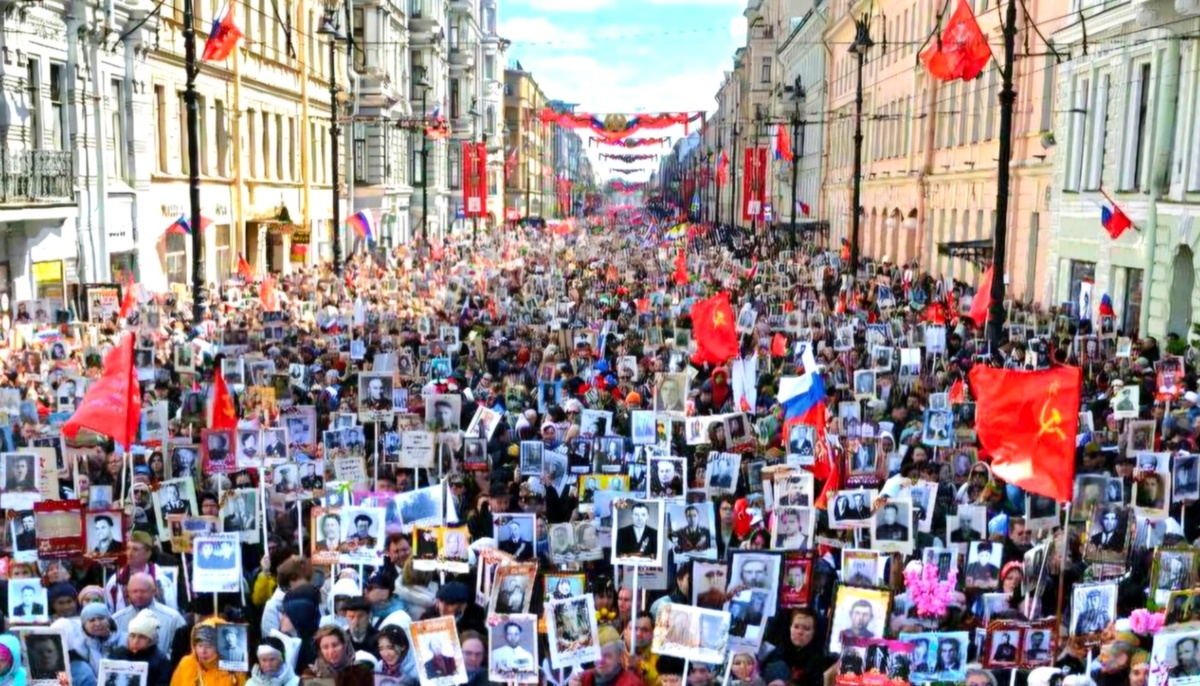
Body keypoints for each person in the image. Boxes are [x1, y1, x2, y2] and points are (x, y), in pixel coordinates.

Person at [169, 620, 249, 686]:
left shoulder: (233, 669)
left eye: (209, 646)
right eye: (200, 645)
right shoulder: (186, 664)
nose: (203, 651)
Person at [109, 609, 172, 686]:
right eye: (132, 636)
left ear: (151, 640)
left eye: (142, 637)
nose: (135, 641)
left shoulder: (160, 661)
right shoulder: (117, 655)